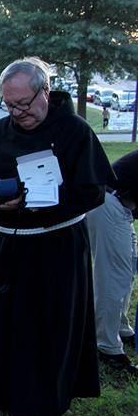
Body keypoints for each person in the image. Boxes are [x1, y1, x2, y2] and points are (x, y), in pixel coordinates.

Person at [0, 57, 115, 416]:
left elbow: (93, 191)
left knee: (47, 325)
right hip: (8, 246)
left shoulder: (75, 131)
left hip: (56, 248)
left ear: (45, 92)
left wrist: (41, 197)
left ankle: (46, 403)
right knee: (3, 320)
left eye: (23, 104)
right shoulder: (0, 130)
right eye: (9, 105)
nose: (17, 113)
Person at [87, 149, 138, 375]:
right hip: (109, 203)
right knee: (113, 276)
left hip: (123, 207)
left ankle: (120, 328)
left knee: (127, 269)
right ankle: (105, 346)